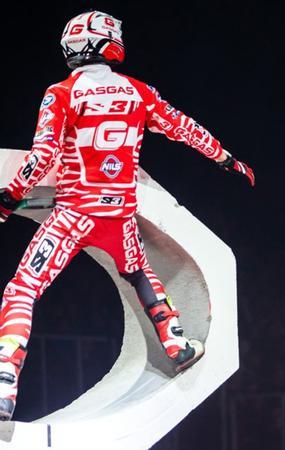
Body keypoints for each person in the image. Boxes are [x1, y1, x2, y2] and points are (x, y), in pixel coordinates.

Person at [0, 11, 255, 420]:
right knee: (139, 273)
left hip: (74, 214)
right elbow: (183, 127)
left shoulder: (61, 92)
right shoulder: (139, 92)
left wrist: (9, 198)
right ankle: (176, 345)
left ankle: (5, 382)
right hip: (119, 217)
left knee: (22, 289)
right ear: (109, 44)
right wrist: (226, 158)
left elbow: (42, 156)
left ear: (74, 46)